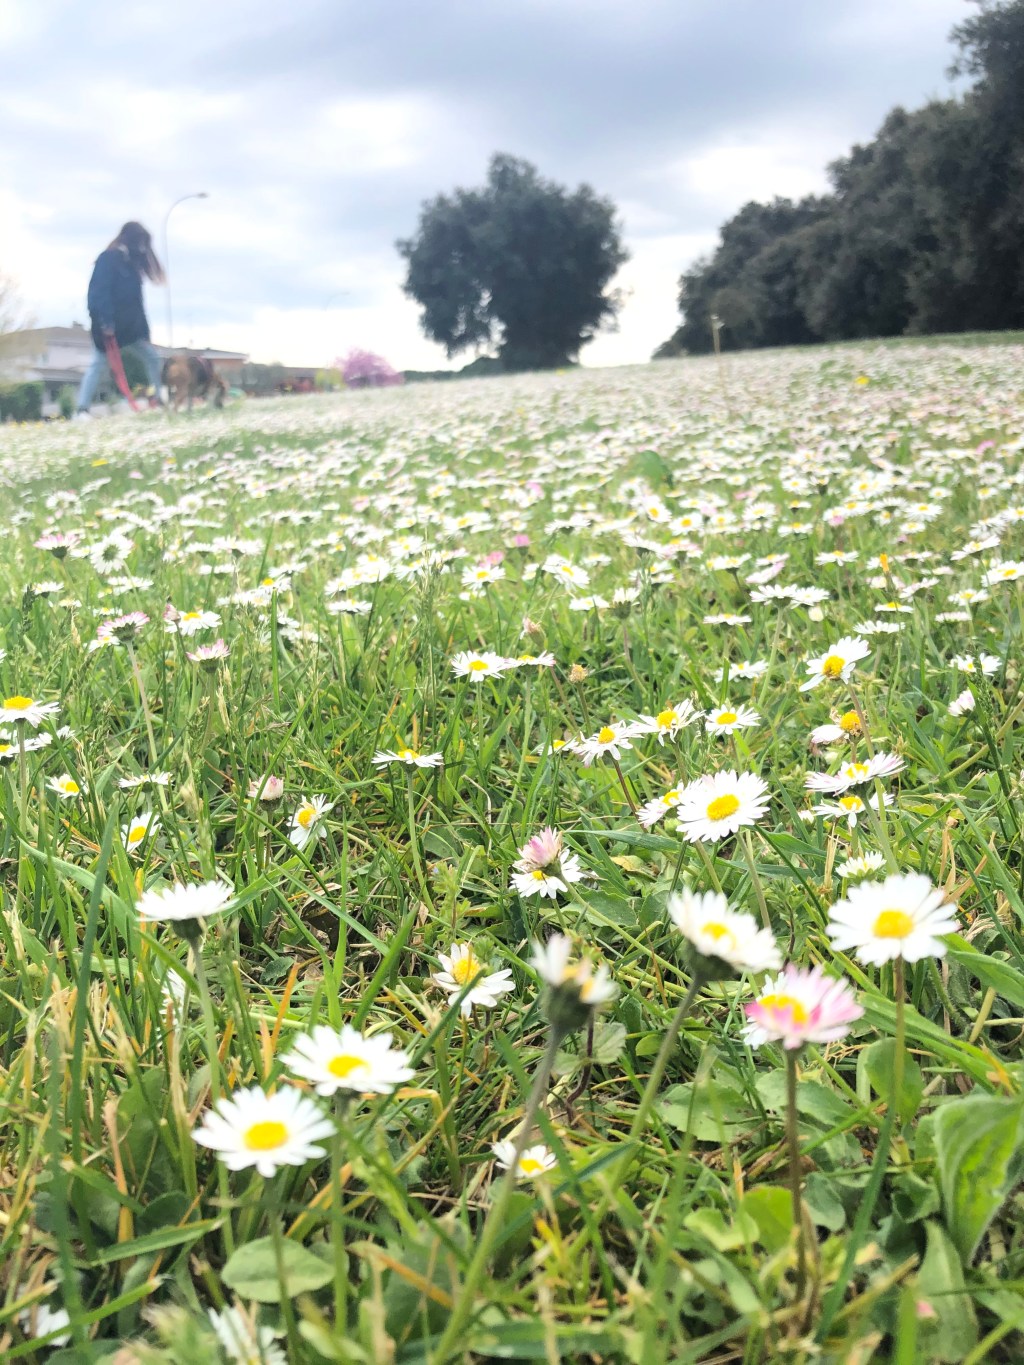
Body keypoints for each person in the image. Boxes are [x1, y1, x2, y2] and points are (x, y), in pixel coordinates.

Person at [75, 222, 165, 416]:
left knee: (153, 357)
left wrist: (145, 333)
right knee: (97, 365)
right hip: (108, 328)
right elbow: (99, 293)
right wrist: (105, 322)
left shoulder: (132, 266)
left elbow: (137, 304)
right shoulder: (108, 259)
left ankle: (158, 399)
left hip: (131, 330)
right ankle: (82, 409)